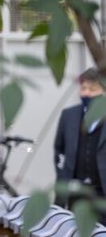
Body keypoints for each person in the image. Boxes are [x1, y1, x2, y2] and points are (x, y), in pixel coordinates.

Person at [54, 67, 106, 216]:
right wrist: (63, 178)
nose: (87, 93)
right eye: (83, 88)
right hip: (76, 194)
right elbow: (59, 150)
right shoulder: (68, 115)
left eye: (93, 89)